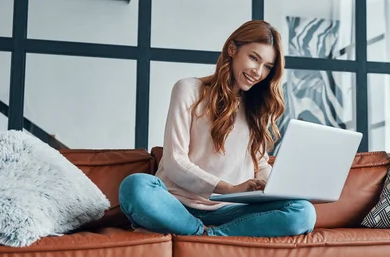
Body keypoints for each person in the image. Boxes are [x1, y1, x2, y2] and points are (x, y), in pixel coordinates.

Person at [118, 20, 317, 237]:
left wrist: (272, 187)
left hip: (230, 210)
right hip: (176, 205)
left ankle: (210, 236)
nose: (258, 72)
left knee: (303, 211)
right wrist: (230, 189)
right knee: (135, 186)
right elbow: (175, 162)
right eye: (254, 58)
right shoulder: (189, 89)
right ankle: (197, 230)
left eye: (267, 66)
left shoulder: (256, 107)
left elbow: (259, 163)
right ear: (232, 49)